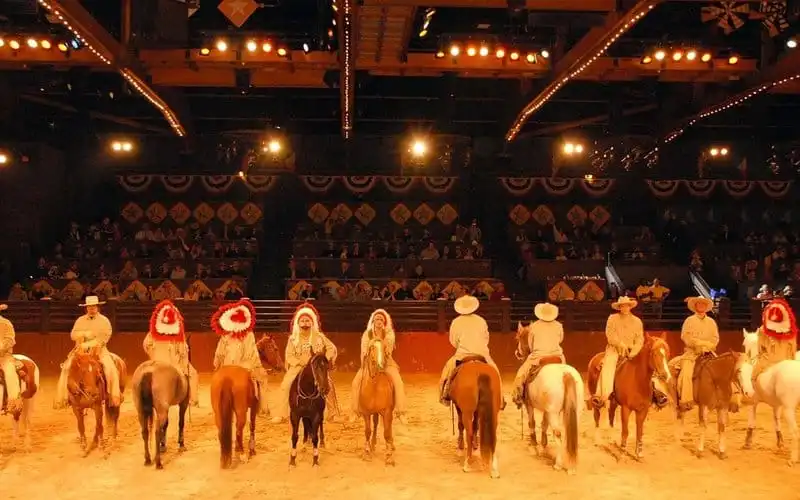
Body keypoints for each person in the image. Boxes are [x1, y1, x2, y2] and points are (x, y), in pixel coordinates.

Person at [271, 303, 338, 424]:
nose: (305, 323)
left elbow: (331, 348)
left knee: (328, 383)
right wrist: (299, 362)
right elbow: (289, 355)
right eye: (302, 320)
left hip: (316, 368)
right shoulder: (293, 339)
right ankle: (281, 414)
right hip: (299, 367)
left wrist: (324, 360)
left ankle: (332, 414)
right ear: (298, 323)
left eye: (307, 320)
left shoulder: (320, 336)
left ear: (312, 323)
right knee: (286, 385)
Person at [439, 294, 505, 408]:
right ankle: (501, 399)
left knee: (446, 374)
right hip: (482, 354)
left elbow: (453, 341)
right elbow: (486, 339)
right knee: (496, 373)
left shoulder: (456, 321)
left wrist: (461, 345)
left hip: (462, 355)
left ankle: (444, 395)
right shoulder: (481, 320)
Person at [55, 296, 121, 409]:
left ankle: (113, 395)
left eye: (94, 306)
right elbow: (73, 335)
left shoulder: (104, 321)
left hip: (99, 349)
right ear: (86, 308)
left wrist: (95, 342)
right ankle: (63, 397)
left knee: (110, 368)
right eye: (89, 307)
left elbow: (106, 335)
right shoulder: (80, 320)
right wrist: (84, 335)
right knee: (66, 367)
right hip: (80, 350)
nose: (91, 308)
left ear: (97, 307)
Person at [212, 298, 270, 416]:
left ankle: (216, 405)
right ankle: (263, 407)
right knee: (262, 378)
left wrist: (217, 365)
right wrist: (256, 366)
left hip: (228, 366)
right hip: (244, 366)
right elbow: (252, 353)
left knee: (216, 382)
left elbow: (219, 353)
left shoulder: (226, 335)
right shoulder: (248, 335)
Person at [350, 309, 408, 424]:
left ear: (385, 322)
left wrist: (378, 344)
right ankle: (355, 411)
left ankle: (400, 412)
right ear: (373, 321)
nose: (379, 321)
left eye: (382, 319)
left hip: (386, 363)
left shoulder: (389, 333)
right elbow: (364, 349)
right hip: (369, 364)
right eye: (377, 319)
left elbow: (388, 348)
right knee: (356, 383)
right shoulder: (367, 333)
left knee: (398, 382)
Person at [142, 299, 199, 408]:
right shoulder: (177, 333)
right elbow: (182, 351)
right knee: (193, 374)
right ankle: (193, 399)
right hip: (173, 363)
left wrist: (152, 355)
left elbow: (145, 345)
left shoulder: (152, 333)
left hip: (156, 363)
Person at [591, 296, 644, 409]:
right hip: (614, 349)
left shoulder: (637, 321)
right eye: (622, 306)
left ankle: (653, 394)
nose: (624, 308)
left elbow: (640, 339)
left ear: (630, 307)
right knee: (608, 366)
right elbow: (610, 335)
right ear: (619, 307)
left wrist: (634, 351)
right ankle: (602, 395)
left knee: (647, 366)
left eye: (626, 305)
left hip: (632, 351)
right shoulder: (612, 318)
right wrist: (619, 343)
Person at [511, 302, 565, 408]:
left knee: (520, 374)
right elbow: (560, 339)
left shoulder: (534, 326)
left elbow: (531, 344)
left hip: (538, 357)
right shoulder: (559, 325)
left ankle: (517, 395)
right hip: (557, 357)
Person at [674, 296, 718, 411]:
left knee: (722, 371)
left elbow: (715, 338)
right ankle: (686, 400)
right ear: (695, 306)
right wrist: (697, 344)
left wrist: (707, 346)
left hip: (709, 352)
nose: (701, 306)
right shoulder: (689, 320)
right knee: (687, 373)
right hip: (692, 353)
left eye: (703, 304)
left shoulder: (711, 322)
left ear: (706, 307)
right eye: (699, 304)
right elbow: (685, 336)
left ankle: (727, 398)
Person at [752, 297, 797, 380]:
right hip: (788, 361)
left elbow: (760, 350)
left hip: (769, 362)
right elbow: (793, 350)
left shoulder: (762, 330)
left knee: (754, 377)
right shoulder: (791, 331)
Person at [0, 304, 22, 414]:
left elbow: (10, 339)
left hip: (3, 356)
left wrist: (1, 347)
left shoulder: (5, 323)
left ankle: (13, 402)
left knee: (10, 373)